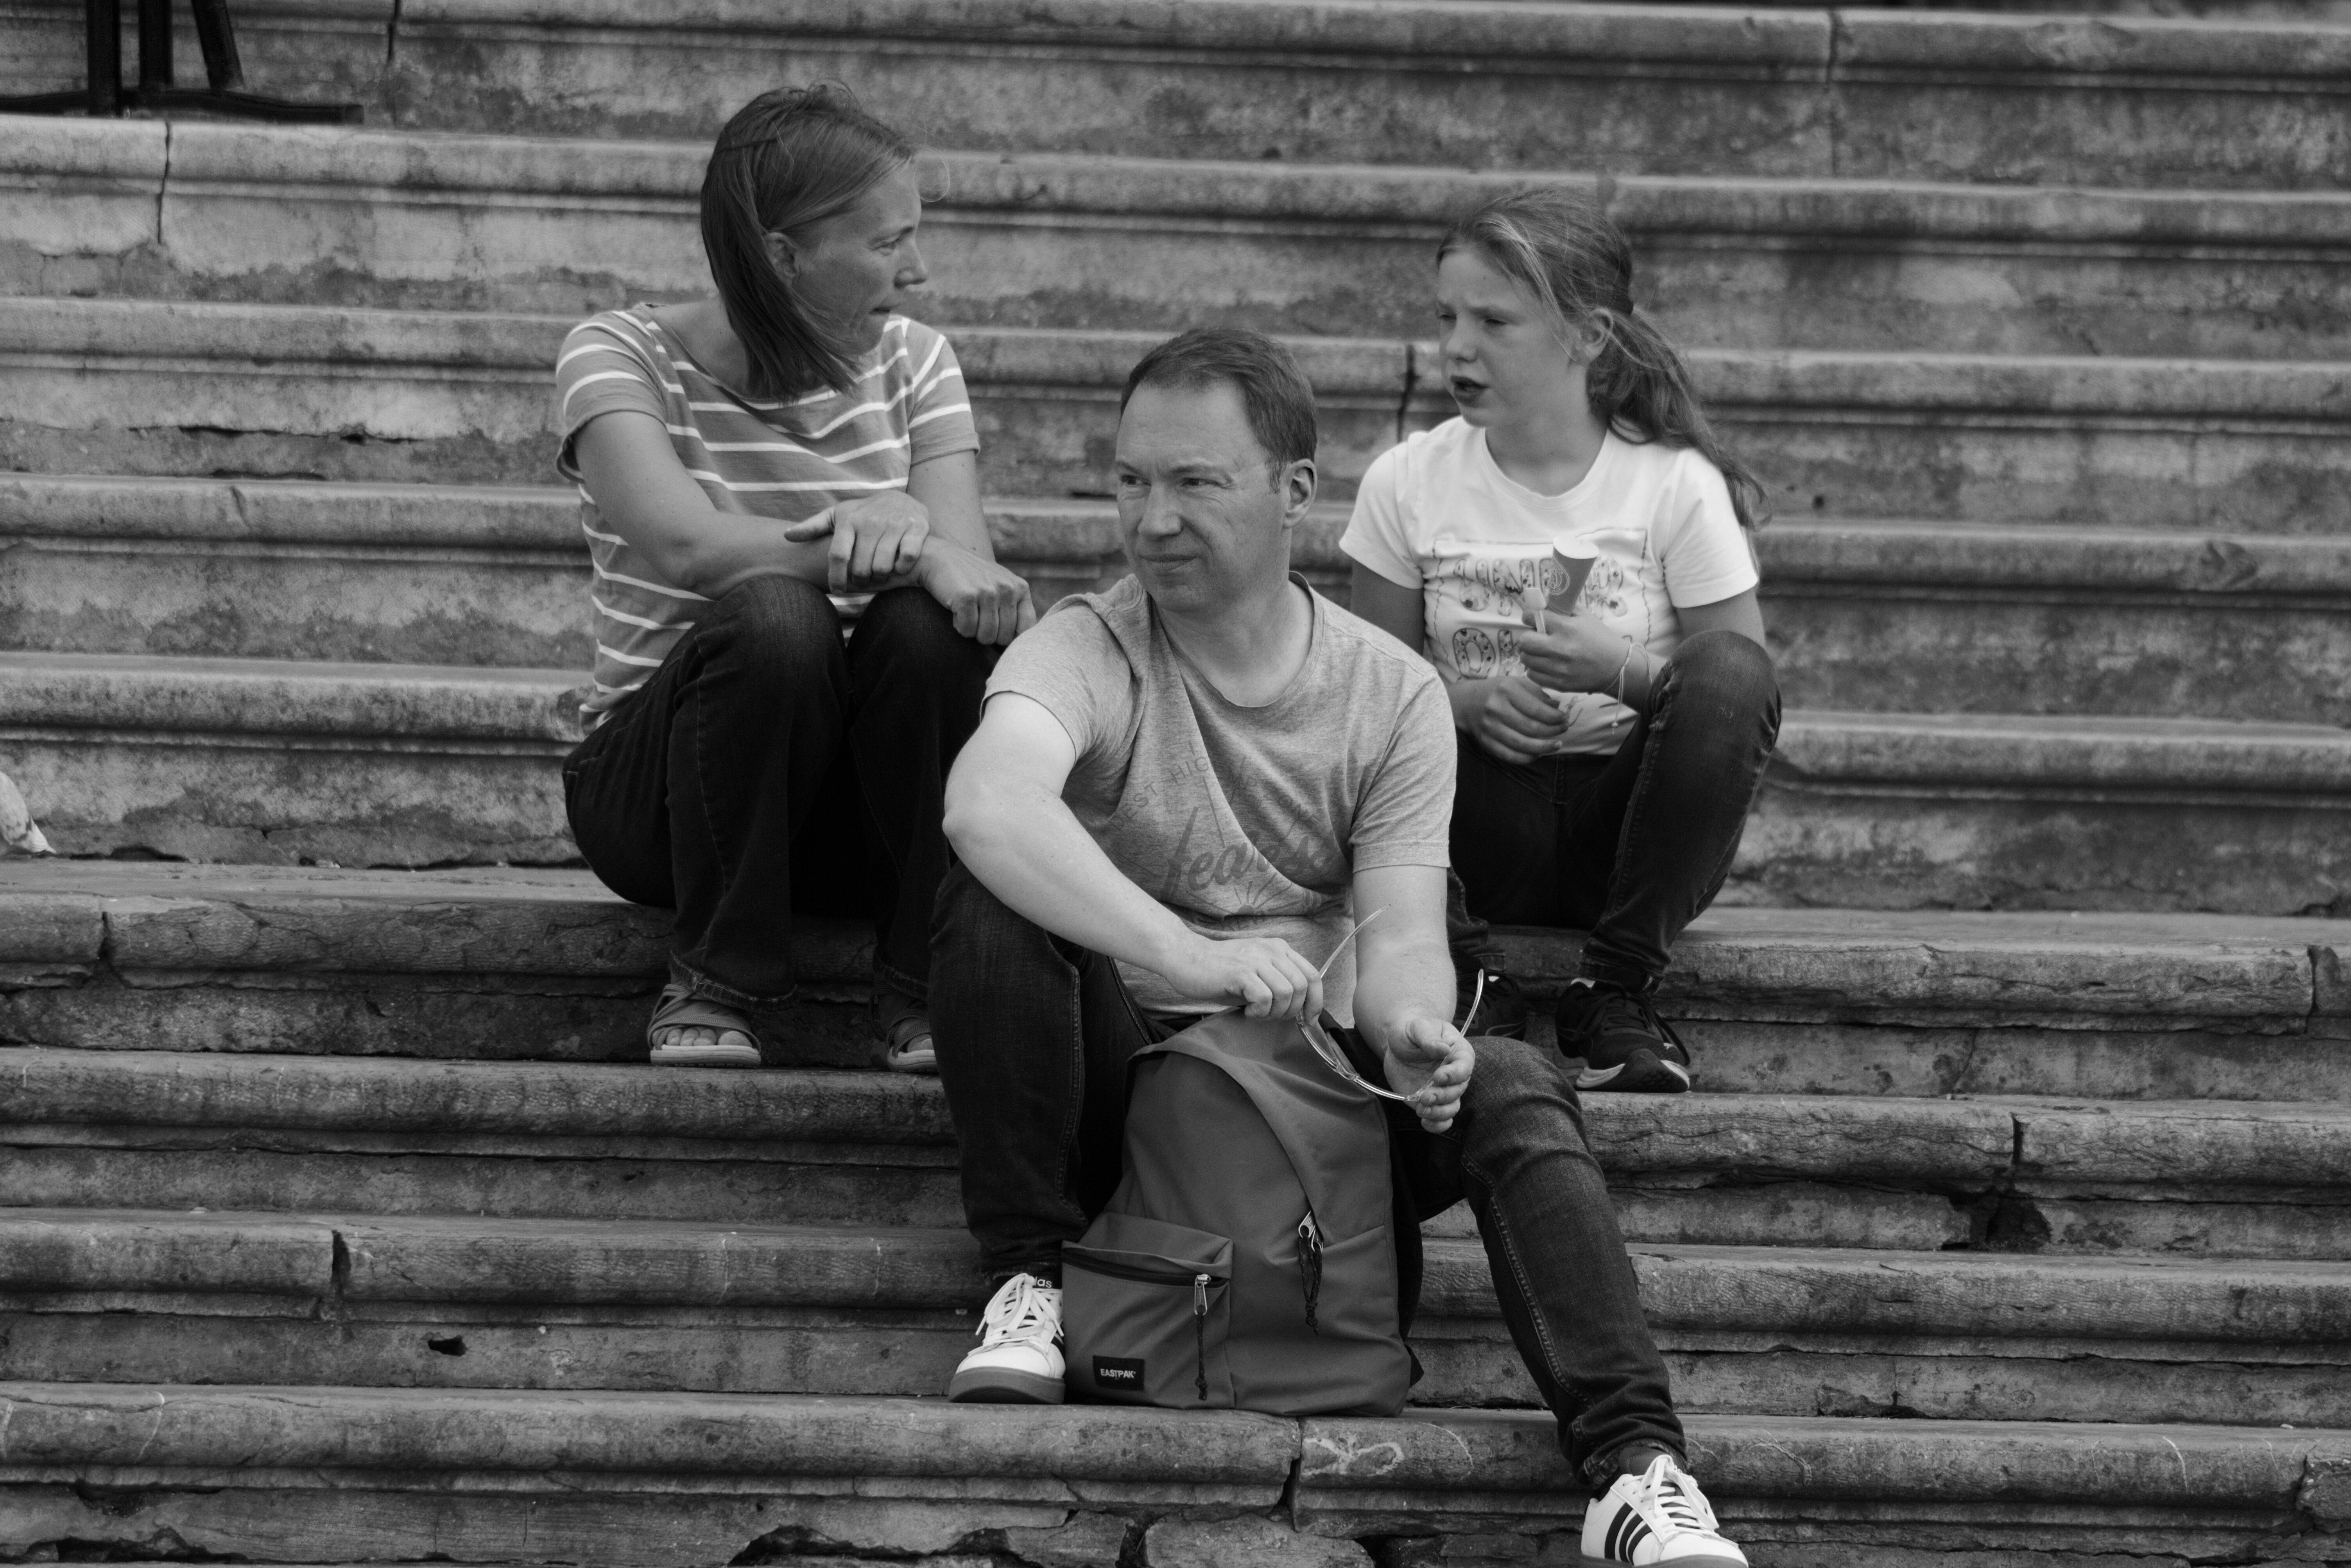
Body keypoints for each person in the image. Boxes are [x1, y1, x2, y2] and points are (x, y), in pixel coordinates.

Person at [930, 327, 1747, 1568]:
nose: (1151, 518)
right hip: (1121, 1088)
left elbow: (1405, 930)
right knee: (990, 892)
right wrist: (1183, 954)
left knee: (1514, 1078)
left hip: (1312, 1110)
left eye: (1194, 481)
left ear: (1293, 493)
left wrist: (1417, 1030)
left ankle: (1635, 1472)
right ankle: (1031, 1273)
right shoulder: (1082, 648)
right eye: (1129, 480)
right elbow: (987, 803)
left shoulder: (1391, 690)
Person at [552, 85, 1033, 1074]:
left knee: (927, 628)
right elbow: (687, 548)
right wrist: (900, 540)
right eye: (888, 242)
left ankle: (924, 980)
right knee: (775, 616)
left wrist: (927, 553)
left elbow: (971, 592)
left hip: (858, 811)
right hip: (667, 803)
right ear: (782, 256)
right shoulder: (618, 356)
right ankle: (716, 978)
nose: (918, 268)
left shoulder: (916, 362)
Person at [1344, 189, 1782, 1095]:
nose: (1456, 346)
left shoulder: (1672, 486)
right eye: (1446, 316)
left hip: (1620, 841)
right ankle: (1466, 978)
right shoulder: (1406, 482)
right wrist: (1458, 702)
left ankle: (1612, 990)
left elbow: (1741, 699)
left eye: (1493, 320)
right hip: (1465, 833)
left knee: (1730, 670)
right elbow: (1363, 688)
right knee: (1359, 696)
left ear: (1587, 334)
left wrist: (1619, 672)